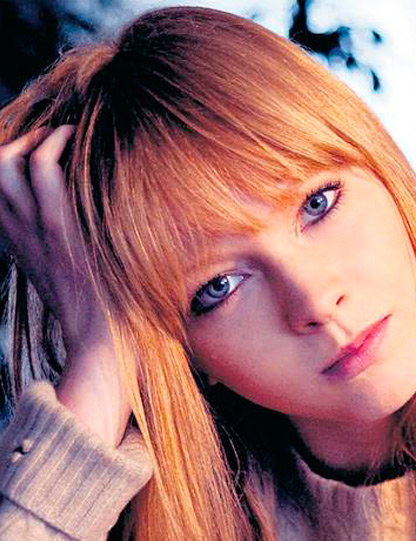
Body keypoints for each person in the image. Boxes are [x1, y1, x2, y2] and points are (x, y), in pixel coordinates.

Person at [0, 5, 415, 540]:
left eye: (318, 203)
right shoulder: (165, 515)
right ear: (188, 353)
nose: (313, 300)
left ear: (380, 169)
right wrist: (101, 350)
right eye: (218, 287)